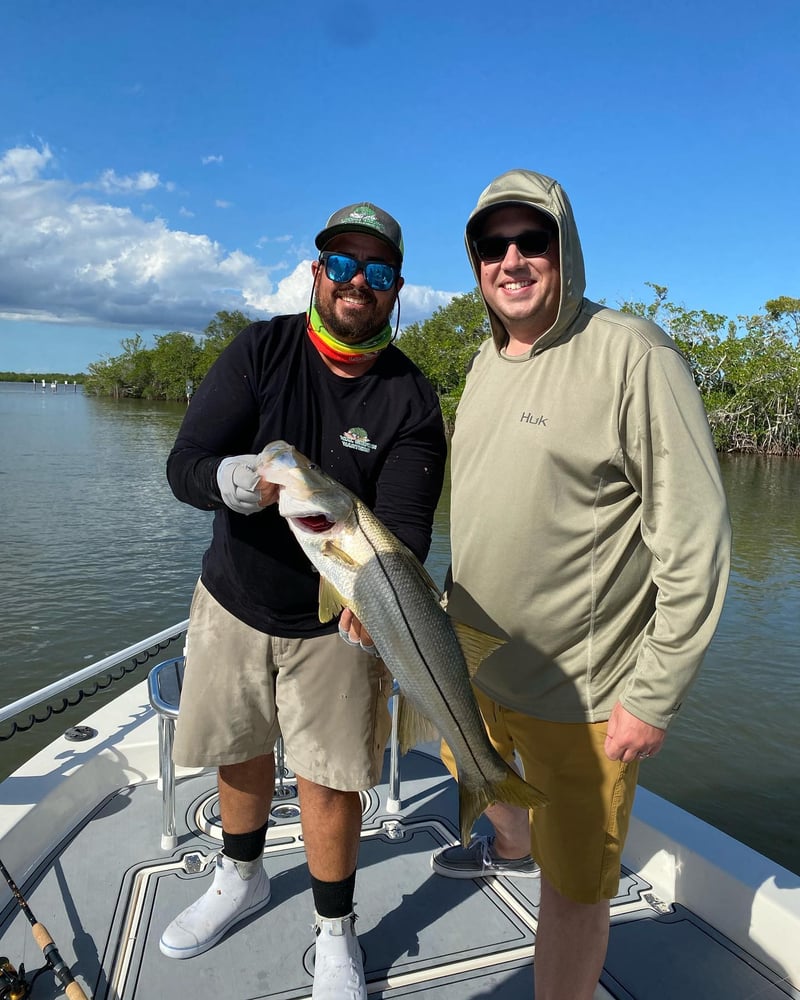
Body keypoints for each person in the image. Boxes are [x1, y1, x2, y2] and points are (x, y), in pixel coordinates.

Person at [430, 169, 731, 1000]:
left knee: (574, 889)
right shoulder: (486, 362)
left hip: (584, 698)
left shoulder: (633, 353)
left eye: (533, 241)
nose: (513, 259)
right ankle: (511, 843)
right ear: (475, 259)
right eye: (494, 245)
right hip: (474, 670)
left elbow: (696, 537)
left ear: (566, 250)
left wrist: (655, 691)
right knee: (478, 777)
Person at [162, 201, 447, 999]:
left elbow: (407, 528)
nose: (359, 282)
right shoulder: (261, 349)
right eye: (344, 266)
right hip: (234, 598)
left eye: (378, 272)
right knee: (240, 748)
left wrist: (379, 601)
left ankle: (335, 932)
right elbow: (187, 459)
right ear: (317, 273)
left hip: (342, 623)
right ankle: (239, 876)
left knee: (329, 779)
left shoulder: (411, 398)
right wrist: (221, 480)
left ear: (396, 291)